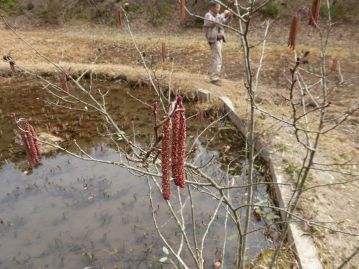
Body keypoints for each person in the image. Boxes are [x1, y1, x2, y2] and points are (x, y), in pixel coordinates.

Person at [203, 0, 233, 85]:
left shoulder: (218, 15)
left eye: (219, 7)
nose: (219, 8)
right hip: (214, 39)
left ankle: (214, 76)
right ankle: (214, 78)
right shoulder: (208, 15)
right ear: (212, 7)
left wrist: (229, 16)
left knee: (218, 58)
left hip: (219, 39)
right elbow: (213, 22)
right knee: (217, 58)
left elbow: (224, 23)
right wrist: (224, 14)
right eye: (218, 7)